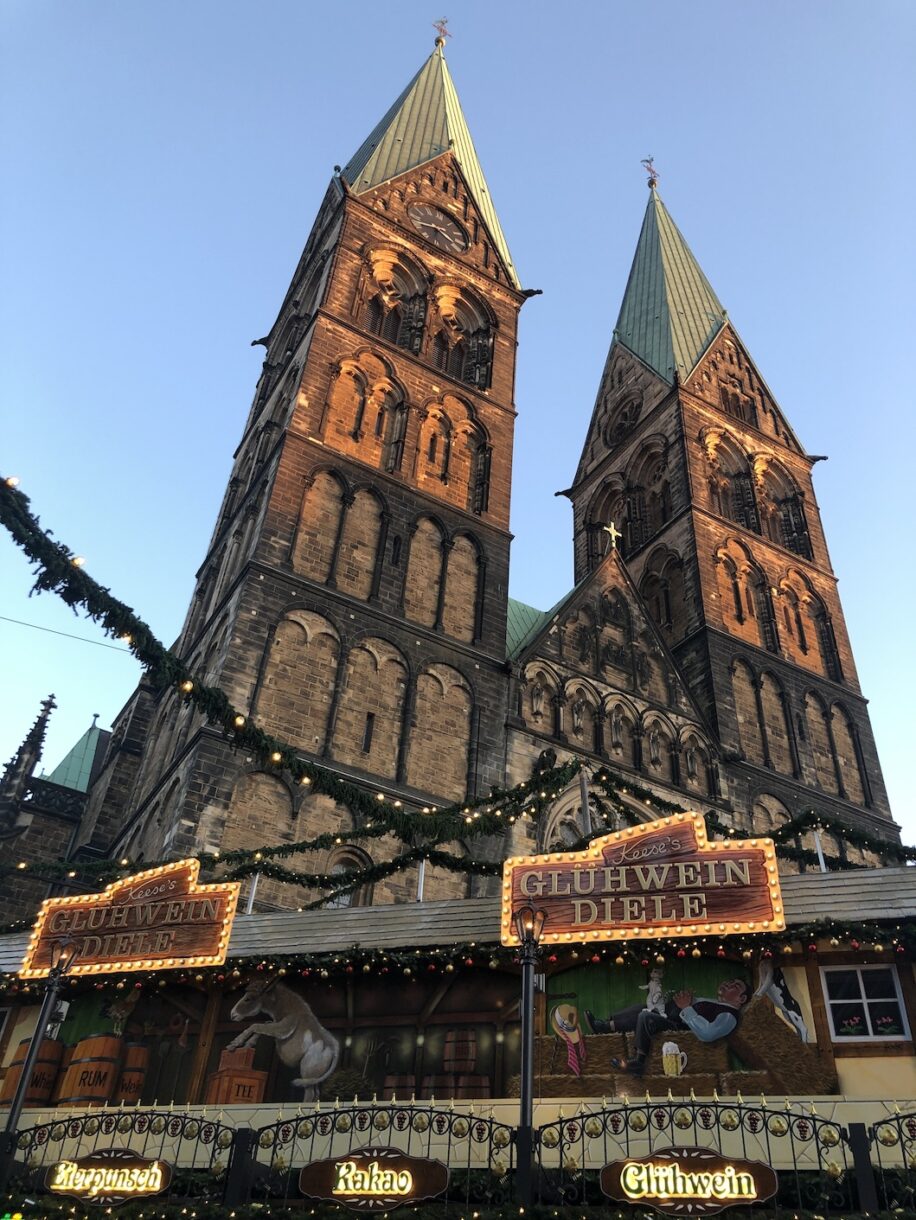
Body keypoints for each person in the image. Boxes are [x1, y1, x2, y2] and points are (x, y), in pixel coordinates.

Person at [584, 978, 749, 1077]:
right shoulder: (715, 1003)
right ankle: (604, 1026)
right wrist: (687, 1000)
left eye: (735, 985)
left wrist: (685, 1007)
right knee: (641, 1008)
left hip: (679, 1029)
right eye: (729, 981)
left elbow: (708, 1033)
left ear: (741, 999)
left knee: (646, 1016)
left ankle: (639, 1062)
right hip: (671, 1017)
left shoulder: (728, 1016)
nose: (728, 984)